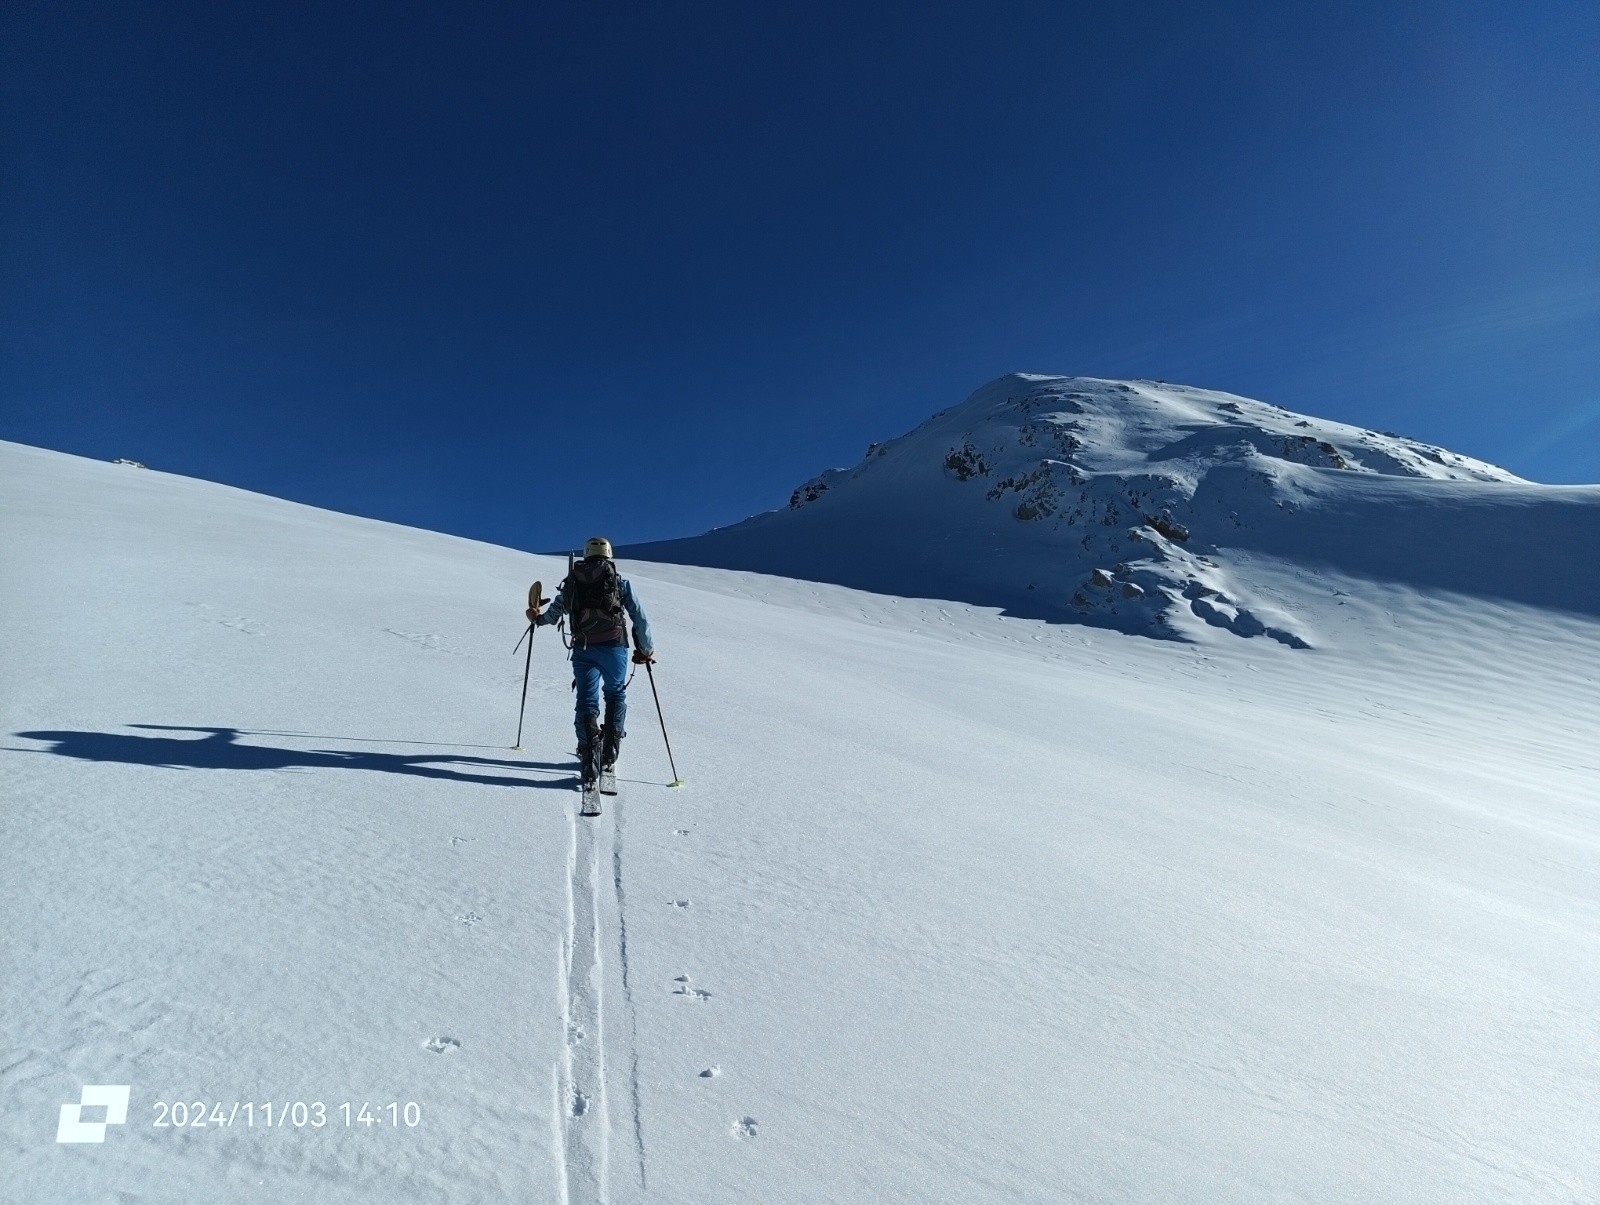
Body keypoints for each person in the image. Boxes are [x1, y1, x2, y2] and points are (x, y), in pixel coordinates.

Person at [527, 536, 655, 786]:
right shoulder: (619, 581)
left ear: (586, 555)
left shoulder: (573, 581)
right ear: (609, 555)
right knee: (615, 694)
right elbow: (640, 616)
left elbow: (553, 615)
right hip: (615, 646)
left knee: (586, 699)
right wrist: (646, 649)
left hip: (584, 648)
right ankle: (610, 750)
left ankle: (588, 757)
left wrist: (537, 619)